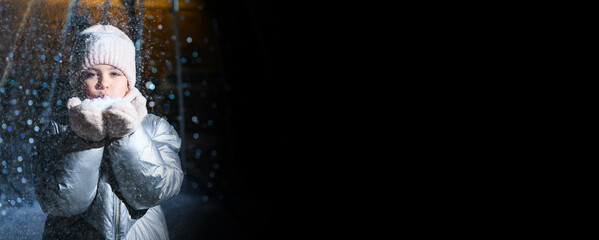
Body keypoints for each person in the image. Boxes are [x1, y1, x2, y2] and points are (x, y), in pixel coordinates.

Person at [33, 24, 184, 240]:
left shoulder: (154, 127)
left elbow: (155, 191)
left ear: (128, 83)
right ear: (78, 82)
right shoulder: (57, 131)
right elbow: (59, 202)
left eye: (114, 73)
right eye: (91, 74)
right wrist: (85, 138)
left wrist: (128, 133)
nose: (103, 84)